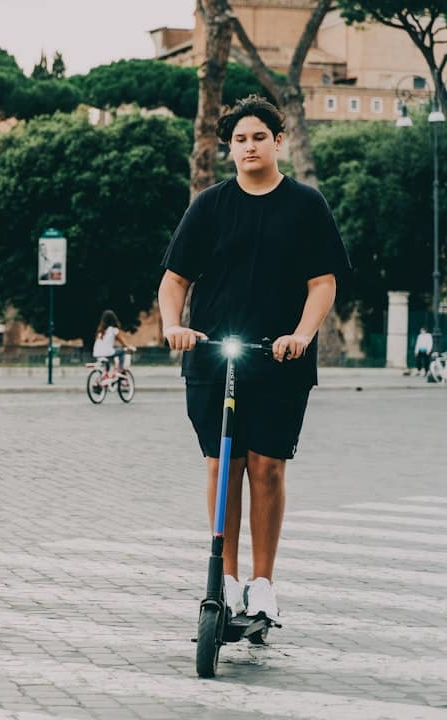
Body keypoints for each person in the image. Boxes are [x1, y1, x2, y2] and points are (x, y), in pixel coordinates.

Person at [157, 95, 350, 623]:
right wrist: (174, 326)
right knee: (224, 465)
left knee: (266, 467)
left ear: (278, 141)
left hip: (279, 359)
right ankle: (230, 579)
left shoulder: (306, 205)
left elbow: (323, 283)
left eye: (258, 137)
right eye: (239, 139)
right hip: (212, 357)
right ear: (229, 148)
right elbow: (174, 281)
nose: (248, 146)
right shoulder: (209, 206)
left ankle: (263, 583)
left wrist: (302, 335)